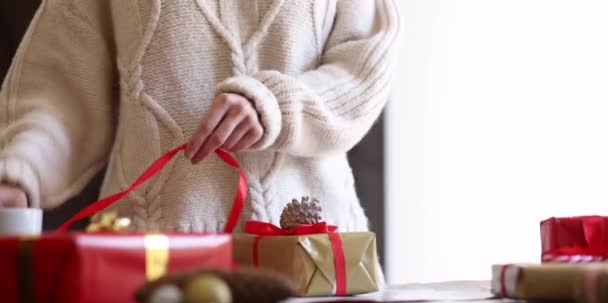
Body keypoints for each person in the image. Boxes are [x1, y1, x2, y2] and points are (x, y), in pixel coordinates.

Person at [0, 0, 400, 233]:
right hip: (148, 268)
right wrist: (23, 173)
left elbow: (363, 67)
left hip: (311, 262)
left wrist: (275, 103)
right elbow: (59, 89)